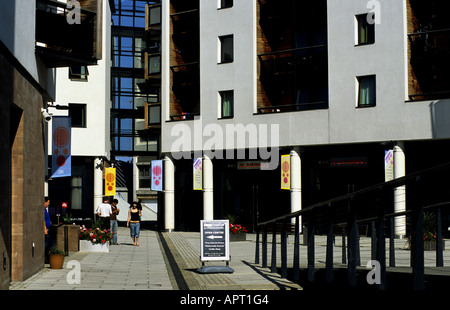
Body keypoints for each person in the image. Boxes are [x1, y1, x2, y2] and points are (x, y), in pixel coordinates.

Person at [44, 197, 51, 263]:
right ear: (45, 202)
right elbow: (43, 220)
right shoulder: (43, 210)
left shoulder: (45, 210)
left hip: (47, 228)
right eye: (48, 202)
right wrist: (45, 229)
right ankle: (46, 260)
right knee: (46, 246)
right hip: (45, 230)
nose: (49, 204)